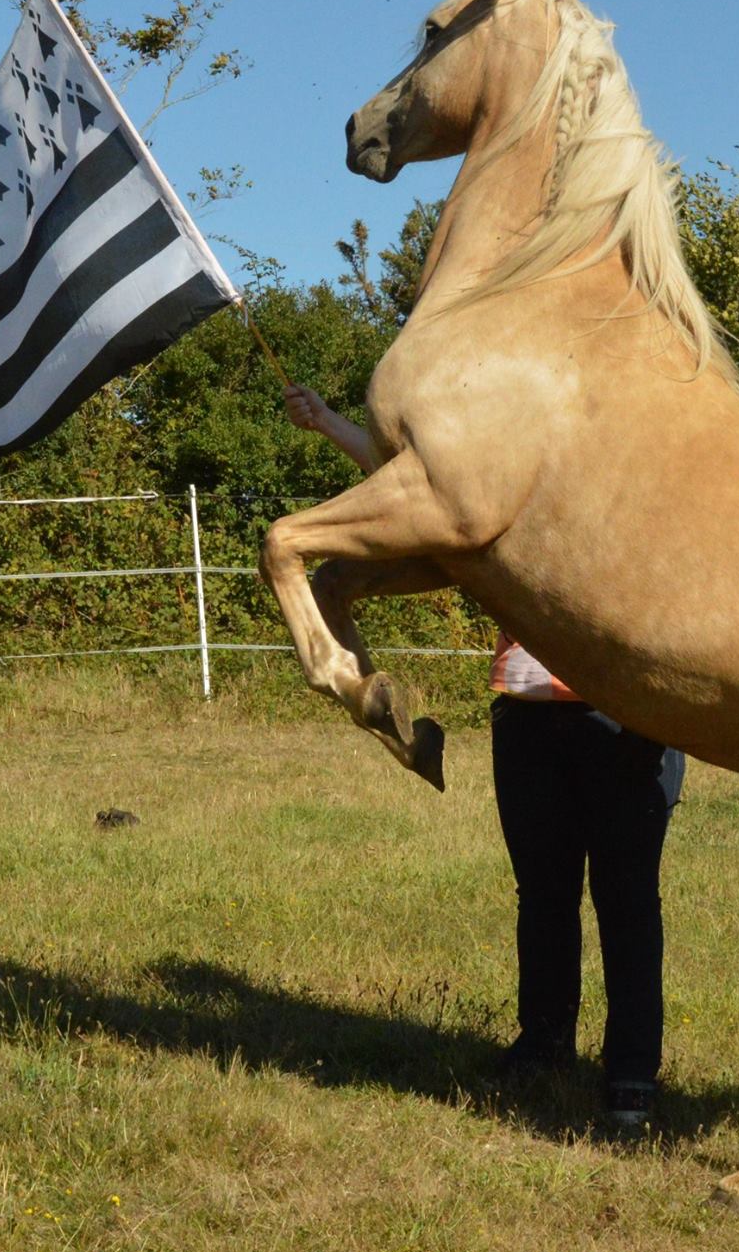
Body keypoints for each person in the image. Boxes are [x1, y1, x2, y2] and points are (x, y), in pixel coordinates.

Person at [282, 382, 685, 1129]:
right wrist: (330, 422)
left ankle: (632, 1074)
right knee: (543, 896)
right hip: (526, 715)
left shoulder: (645, 494)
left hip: (623, 721)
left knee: (628, 901)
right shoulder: (519, 486)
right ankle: (543, 1048)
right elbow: (419, 488)